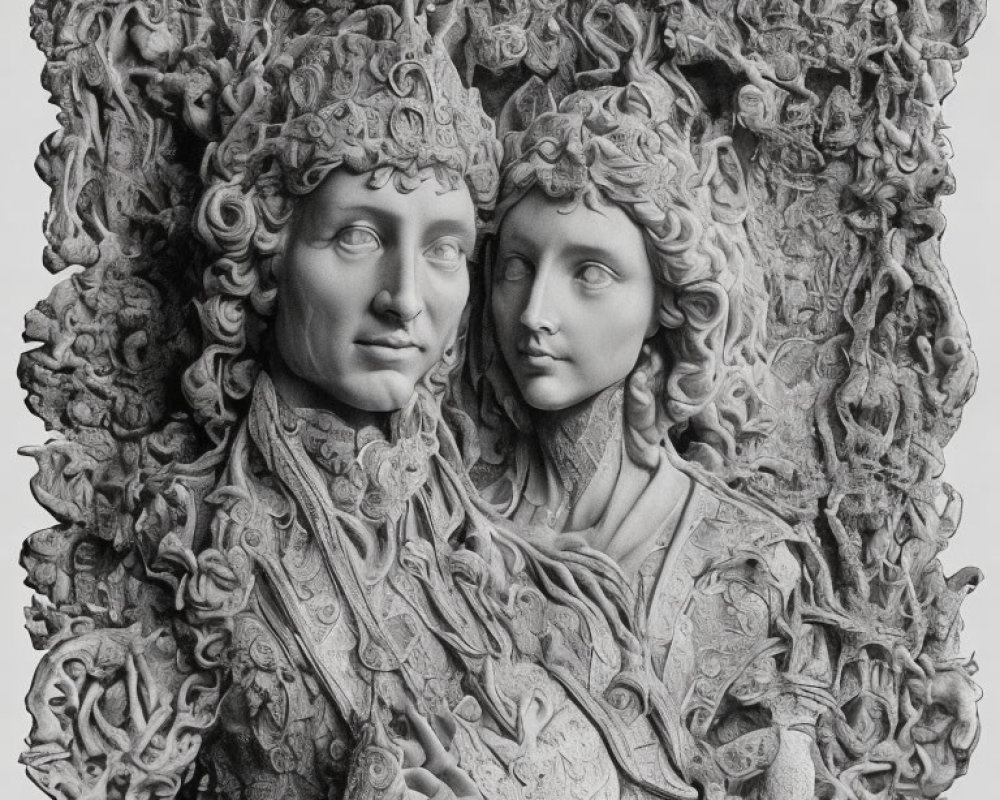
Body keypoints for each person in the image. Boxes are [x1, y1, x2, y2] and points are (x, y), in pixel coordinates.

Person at [167, 4, 693, 799]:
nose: (405, 299)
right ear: (268, 255)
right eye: (359, 238)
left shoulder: (522, 558)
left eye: (444, 248)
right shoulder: (183, 547)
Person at [465, 30, 834, 800]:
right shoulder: (453, 509)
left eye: (589, 273)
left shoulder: (742, 564)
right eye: (517, 269)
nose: (536, 313)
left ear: (668, 301)